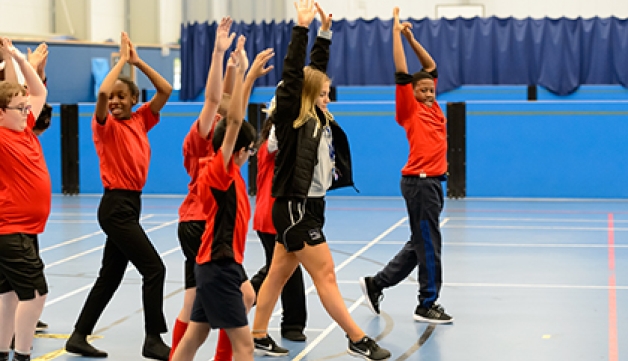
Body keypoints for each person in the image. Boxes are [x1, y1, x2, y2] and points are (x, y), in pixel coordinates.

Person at [250, 2, 390, 360]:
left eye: (330, 93)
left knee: (278, 275)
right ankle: (356, 337)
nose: (328, 98)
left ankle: (257, 333)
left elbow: (315, 72)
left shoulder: (318, 117)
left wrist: (325, 33)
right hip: (295, 209)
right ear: (306, 96)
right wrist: (301, 28)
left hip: (310, 206)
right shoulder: (292, 120)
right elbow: (297, 74)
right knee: (325, 273)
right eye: (323, 93)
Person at [64, 32, 173, 360]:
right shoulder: (104, 126)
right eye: (112, 98)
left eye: (121, 97)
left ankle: (78, 335)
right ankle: (153, 340)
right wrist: (122, 60)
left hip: (130, 205)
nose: (114, 102)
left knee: (110, 275)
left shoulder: (141, 119)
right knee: (155, 269)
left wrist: (139, 62)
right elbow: (100, 92)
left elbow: (165, 89)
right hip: (116, 206)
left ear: (133, 99)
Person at [170, 17, 274, 361]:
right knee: (239, 338)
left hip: (213, 256)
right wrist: (219, 54)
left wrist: (243, 72)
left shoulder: (227, 166)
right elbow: (224, 109)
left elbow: (229, 107)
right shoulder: (215, 160)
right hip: (213, 251)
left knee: (213, 317)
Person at [359, 7, 453, 324]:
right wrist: (397, 34)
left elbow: (429, 66)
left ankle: (376, 284)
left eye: (431, 89)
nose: (428, 92)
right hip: (420, 183)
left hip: (434, 183)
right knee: (429, 246)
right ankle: (427, 303)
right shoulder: (409, 108)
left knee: (419, 243)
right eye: (422, 89)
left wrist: (413, 39)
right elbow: (402, 71)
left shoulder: (434, 104)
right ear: (410, 92)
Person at [0, 38, 50, 361]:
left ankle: (2, 352)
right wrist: (8, 62)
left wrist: (19, 57)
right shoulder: (2, 136)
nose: (25, 111)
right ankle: (23, 356)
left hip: (25, 230)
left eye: (25, 107)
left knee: (8, 295)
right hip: (11, 230)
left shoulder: (25, 128)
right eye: (19, 108)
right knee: (35, 295)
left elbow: (39, 93)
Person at [249, 108, 307, 343]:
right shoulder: (268, 149)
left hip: (285, 217)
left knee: (276, 270)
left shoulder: (291, 152)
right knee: (286, 272)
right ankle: (292, 324)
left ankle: (240, 297)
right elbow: (278, 134)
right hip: (271, 218)